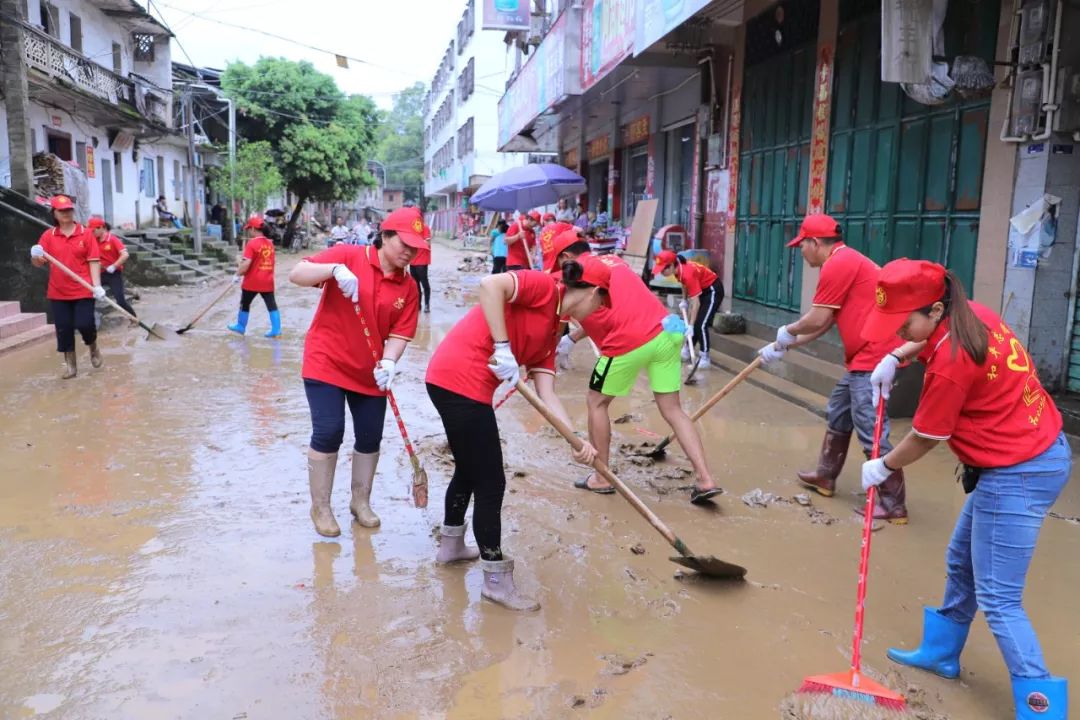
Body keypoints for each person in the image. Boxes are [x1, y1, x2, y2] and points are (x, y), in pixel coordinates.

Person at [860, 259, 1070, 720]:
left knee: (999, 597)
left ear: (935, 310)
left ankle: (1041, 709)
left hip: (1019, 469)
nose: (898, 331)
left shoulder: (952, 363)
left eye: (904, 324)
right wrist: (899, 357)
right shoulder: (973, 314)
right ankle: (941, 654)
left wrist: (883, 466)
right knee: (961, 560)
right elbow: (924, 343)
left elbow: (926, 437)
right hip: (1031, 452)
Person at [425, 258, 605, 611]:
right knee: (491, 482)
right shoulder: (542, 288)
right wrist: (503, 345)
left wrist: (577, 440)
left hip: (458, 384)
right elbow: (490, 286)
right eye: (602, 303)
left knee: (469, 469)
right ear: (593, 293)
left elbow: (547, 394)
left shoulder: (553, 333)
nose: (600, 310)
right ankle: (495, 580)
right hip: (458, 381)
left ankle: (451, 547)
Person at [546, 228, 722, 504]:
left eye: (557, 263)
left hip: (627, 341)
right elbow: (606, 310)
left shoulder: (573, 276)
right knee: (673, 409)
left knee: (596, 402)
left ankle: (601, 478)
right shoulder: (614, 260)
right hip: (666, 333)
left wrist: (558, 341)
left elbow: (575, 314)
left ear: (567, 257)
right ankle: (705, 479)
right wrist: (573, 337)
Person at [756, 214, 908, 523]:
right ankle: (826, 477)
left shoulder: (838, 263)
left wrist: (788, 329)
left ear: (815, 243)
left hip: (876, 358)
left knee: (871, 428)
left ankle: (894, 504)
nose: (801, 252)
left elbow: (816, 318)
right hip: (863, 358)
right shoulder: (845, 260)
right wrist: (783, 345)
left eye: (802, 246)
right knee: (839, 410)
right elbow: (825, 322)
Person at [288, 206, 427, 537]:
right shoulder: (348, 256)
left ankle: (360, 502)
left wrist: (390, 362)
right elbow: (296, 273)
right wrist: (332, 270)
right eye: (403, 243)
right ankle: (320, 507)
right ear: (385, 235)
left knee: (369, 435)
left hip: (370, 370)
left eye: (415, 247)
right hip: (327, 361)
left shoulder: (409, 289)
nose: (409, 252)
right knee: (329, 431)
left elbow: (399, 334)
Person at [29, 195, 106, 379]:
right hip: (58, 291)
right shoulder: (49, 236)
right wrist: (35, 256)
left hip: (83, 289)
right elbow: (38, 262)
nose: (66, 213)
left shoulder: (85, 233)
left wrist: (97, 286)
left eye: (68, 210)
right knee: (63, 329)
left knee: (85, 324)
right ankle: (71, 365)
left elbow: (94, 261)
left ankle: (93, 346)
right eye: (61, 211)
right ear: (54, 213)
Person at [652, 250, 724, 370]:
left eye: (662, 269)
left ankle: (704, 357)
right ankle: (687, 349)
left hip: (713, 290)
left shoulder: (687, 273)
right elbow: (684, 283)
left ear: (670, 265)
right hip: (702, 289)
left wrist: (690, 325)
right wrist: (684, 300)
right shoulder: (678, 269)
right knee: (695, 321)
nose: (661, 272)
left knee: (700, 324)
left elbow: (696, 303)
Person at [228, 214, 281, 338]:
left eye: (248, 229)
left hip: (252, 281)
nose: (248, 231)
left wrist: (237, 274)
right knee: (271, 305)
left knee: (245, 303)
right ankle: (276, 329)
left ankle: (241, 326)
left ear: (252, 229)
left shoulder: (252, 244)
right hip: (267, 280)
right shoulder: (270, 243)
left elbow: (246, 263)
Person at [88, 217, 136, 318]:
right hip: (98, 274)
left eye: (94, 230)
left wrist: (114, 266)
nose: (92, 232)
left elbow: (125, 255)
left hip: (113, 274)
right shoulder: (92, 240)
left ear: (101, 228)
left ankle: (133, 318)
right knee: (87, 295)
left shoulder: (113, 239)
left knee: (120, 300)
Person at [411, 237, 431, 314]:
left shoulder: (425, 229)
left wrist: (416, 240)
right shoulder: (412, 228)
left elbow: (428, 244)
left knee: (425, 284)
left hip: (422, 262)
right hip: (412, 262)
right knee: (415, 286)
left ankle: (427, 305)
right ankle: (418, 305)